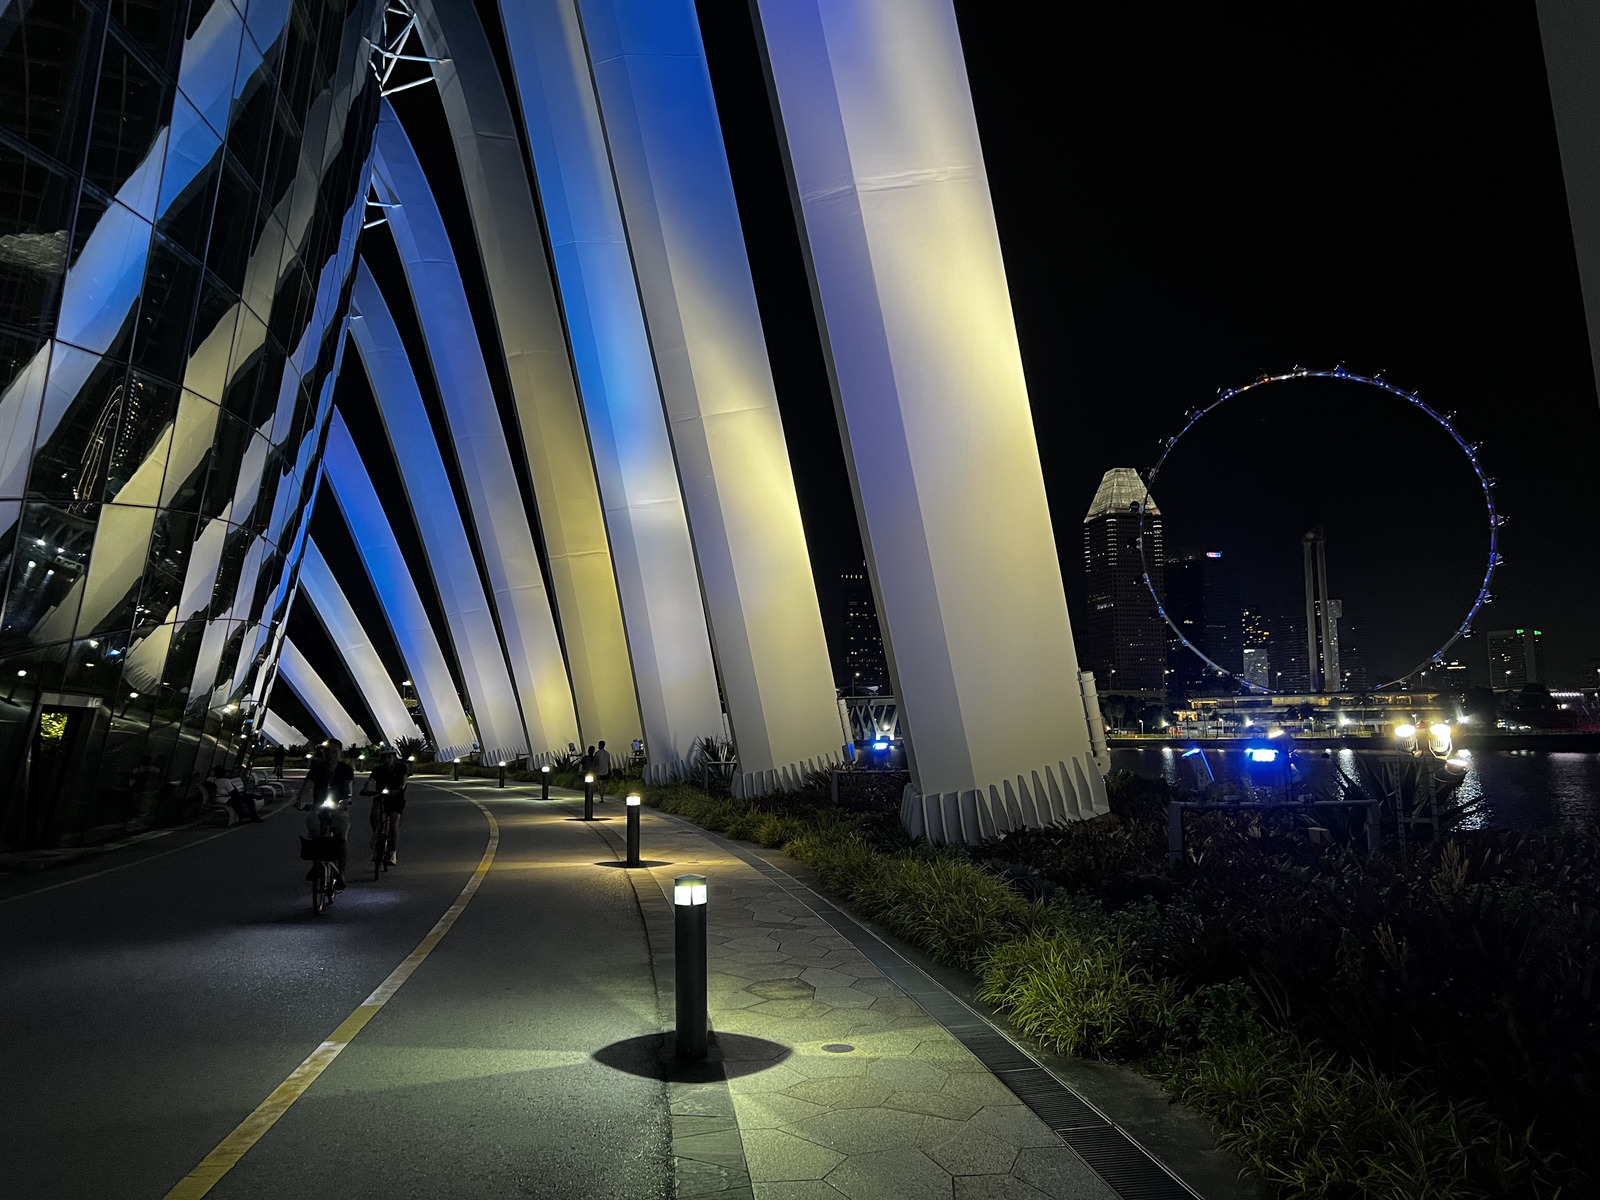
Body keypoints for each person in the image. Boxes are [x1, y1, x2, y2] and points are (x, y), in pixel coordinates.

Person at [297, 743, 354, 888]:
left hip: (339, 809)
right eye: (328, 752)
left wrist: (346, 800)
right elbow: (307, 785)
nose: (331, 755)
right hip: (319, 808)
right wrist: (300, 800)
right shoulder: (317, 768)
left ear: (340, 753)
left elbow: (348, 789)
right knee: (313, 827)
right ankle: (316, 865)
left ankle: (340, 874)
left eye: (335, 752)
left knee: (341, 837)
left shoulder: (345, 769)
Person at [362, 747, 409, 865]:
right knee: (374, 814)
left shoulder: (401, 768)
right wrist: (366, 789)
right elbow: (371, 781)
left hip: (396, 797)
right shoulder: (378, 770)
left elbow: (403, 781)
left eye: (389, 757)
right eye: (384, 757)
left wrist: (400, 788)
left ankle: (392, 853)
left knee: (393, 825)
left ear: (394, 758)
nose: (387, 760)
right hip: (381, 796)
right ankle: (376, 835)